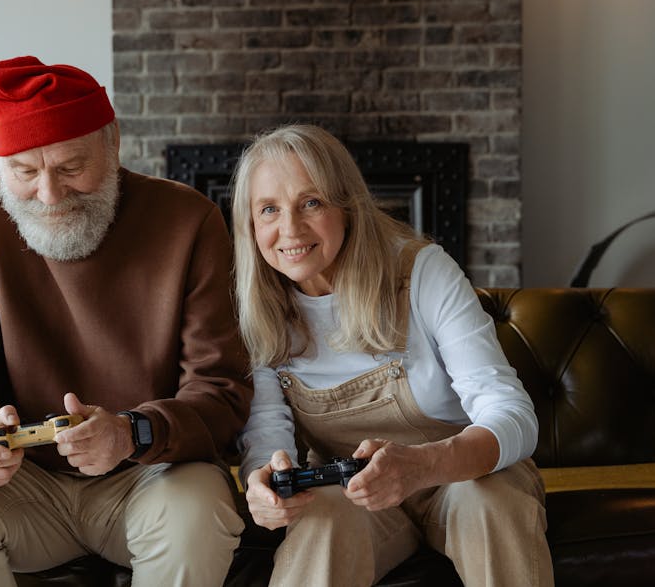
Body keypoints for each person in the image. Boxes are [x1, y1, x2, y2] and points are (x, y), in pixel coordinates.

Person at [0, 55, 252, 587]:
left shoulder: (188, 219)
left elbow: (222, 390)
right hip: (24, 488)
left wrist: (133, 432)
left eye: (69, 168)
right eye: (24, 172)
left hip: (150, 476)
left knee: (199, 509)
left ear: (113, 143)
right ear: (2, 167)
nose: (49, 194)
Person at [231, 124, 553, 586]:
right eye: (268, 210)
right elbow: (267, 434)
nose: (290, 229)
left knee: (489, 504)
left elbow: (513, 414)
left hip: (463, 479)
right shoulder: (257, 307)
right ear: (250, 225)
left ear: (347, 207)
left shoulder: (422, 271)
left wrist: (423, 465)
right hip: (354, 498)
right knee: (322, 520)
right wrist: (262, 483)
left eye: (312, 202)